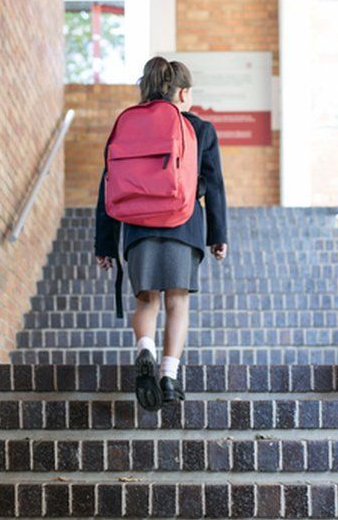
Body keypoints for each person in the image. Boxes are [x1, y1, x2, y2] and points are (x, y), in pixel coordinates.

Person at [95, 57, 228, 412]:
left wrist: (104, 242)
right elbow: (213, 185)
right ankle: (169, 376)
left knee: (146, 301)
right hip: (182, 224)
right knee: (177, 303)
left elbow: (107, 184)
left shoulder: (129, 124)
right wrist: (218, 234)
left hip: (137, 226)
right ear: (183, 92)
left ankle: (145, 349)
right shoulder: (200, 129)